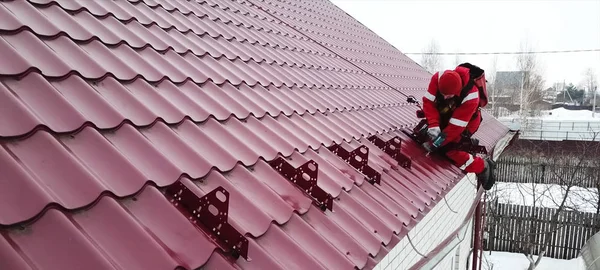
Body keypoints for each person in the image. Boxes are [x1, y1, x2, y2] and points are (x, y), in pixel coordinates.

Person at [421, 63, 495, 190]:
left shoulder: (471, 96)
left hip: (466, 124)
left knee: (449, 150)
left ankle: (482, 166)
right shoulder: (437, 78)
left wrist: (435, 144)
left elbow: (454, 129)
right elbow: (428, 102)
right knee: (428, 135)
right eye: (442, 94)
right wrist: (433, 125)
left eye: (448, 96)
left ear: (457, 91)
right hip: (448, 115)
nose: (444, 97)